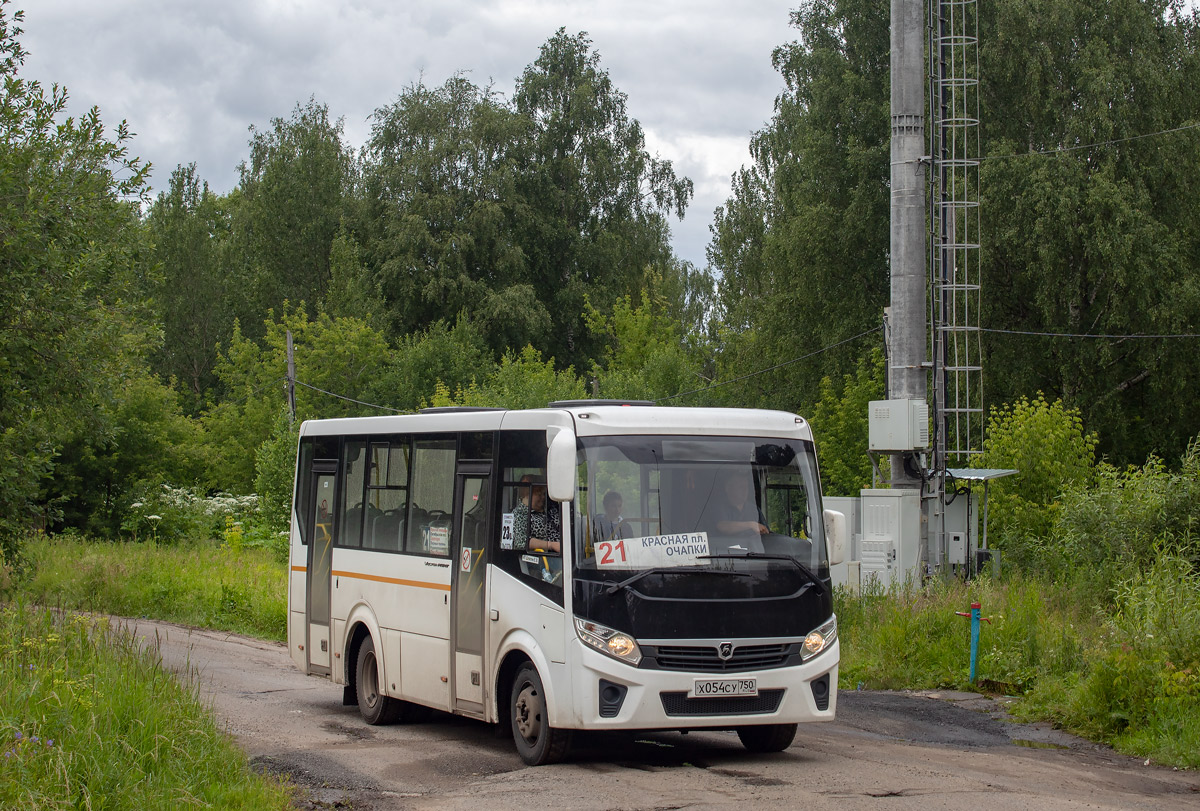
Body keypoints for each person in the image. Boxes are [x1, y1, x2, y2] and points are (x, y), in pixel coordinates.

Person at [713, 472, 768, 552]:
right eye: (740, 487)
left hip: (754, 556)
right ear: (728, 488)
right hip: (725, 558)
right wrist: (751, 525)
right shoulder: (719, 507)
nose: (745, 490)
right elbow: (722, 526)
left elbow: (765, 532)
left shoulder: (754, 510)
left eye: (746, 487)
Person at [512, 474, 561, 554]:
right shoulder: (519, 514)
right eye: (539, 494)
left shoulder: (551, 509)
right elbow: (521, 542)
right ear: (527, 494)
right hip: (544, 558)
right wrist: (551, 545)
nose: (543, 497)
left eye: (544, 494)